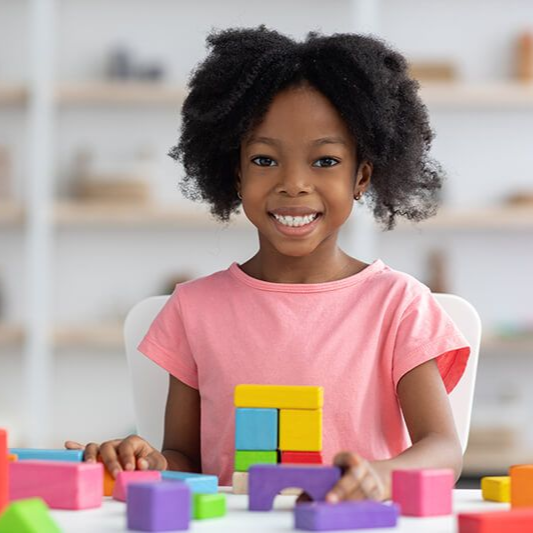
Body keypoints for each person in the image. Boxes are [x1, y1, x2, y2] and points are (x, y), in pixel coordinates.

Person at [66, 26, 470, 502]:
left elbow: (443, 449)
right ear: (235, 172)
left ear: (361, 175)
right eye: (264, 160)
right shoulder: (194, 309)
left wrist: (380, 476)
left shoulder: (399, 305)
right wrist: (146, 461)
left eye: (324, 161)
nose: (293, 183)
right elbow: (184, 459)